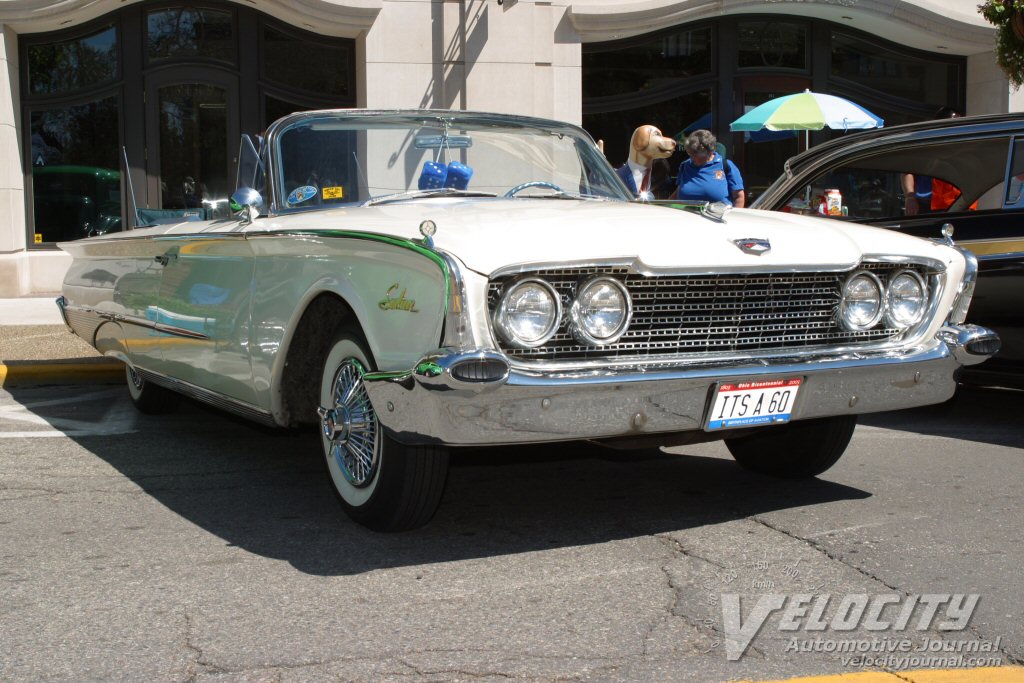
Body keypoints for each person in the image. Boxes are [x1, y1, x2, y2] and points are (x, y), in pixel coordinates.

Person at [669, 129, 745, 207]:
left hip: (717, 217)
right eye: (690, 153)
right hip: (687, 217)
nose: (692, 157)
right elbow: (678, 192)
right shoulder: (685, 166)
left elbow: (739, 197)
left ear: (709, 152)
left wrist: (734, 217)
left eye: (695, 154)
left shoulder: (726, 165)